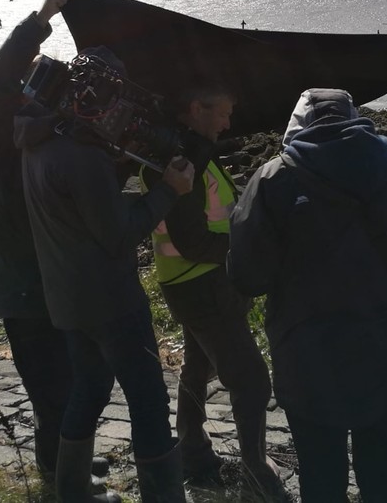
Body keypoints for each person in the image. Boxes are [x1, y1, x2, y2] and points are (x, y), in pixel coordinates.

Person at [228, 89, 387, 503]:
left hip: (306, 349)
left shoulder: (273, 177)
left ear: (299, 125)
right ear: (355, 119)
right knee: (384, 470)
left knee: (320, 474)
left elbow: (247, 276)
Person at [14, 34, 196, 502]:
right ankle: (164, 494)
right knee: (148, 399)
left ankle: (71, 490)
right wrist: (170, 189)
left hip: (68, 297)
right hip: (111, 300)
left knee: (90, 388)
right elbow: (118, 232)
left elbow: (83, 214)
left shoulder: (39, 141)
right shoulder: (82, 157)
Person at [0, 0, 113, 491]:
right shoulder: (0, 128)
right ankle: (64, 480)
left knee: (63, 384)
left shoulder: (22, 136)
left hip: (43, 279)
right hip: (27, 285)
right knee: (60, 388)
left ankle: (63, 461)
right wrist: (42, 16)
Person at [139, 88, 286, 501]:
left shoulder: (192, 150)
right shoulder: (184, 159)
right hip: (200, 284)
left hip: (192, 283)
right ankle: (256, 471)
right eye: (221, 114)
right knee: (253, 381)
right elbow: (191, 240)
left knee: (198, 365)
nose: (227, 124)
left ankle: (192, 450)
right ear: (193, 109)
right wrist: (248, 247)